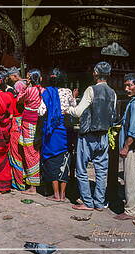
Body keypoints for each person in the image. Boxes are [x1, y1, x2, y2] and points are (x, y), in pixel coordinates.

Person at [66, 61, 117, 211]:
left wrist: (68, 109)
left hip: (88, 135)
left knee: (81, 169)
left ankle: (87, 202)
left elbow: (78, 111)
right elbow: (113, 115)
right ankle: (99, 203)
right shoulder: (112, 92)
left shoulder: (91, 90)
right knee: (101, 171)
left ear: (95, 73)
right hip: (104, 136)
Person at [39, 68, 77, 201]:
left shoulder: (47, 92)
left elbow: (41, 111)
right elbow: (74, 108)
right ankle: (63, 195)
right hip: (65, 130)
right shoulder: (68, 92)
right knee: (64, 158)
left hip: (52, 130)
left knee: (52, 159)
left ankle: (55, 195)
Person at [114, 73, 135, 220]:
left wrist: (126, 147)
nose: (127, 88)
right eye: (126, 86)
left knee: (131, 179)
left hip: (133, 147)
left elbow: (134, 129)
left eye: (130, 85)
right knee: (133, 179)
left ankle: (129, 211)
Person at [17, 68, 44, 194]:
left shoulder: (29, 90)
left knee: (30, 153)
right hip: (39, 124)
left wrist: (24, 86)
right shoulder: (43, 91)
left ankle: (33, 186)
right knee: (36, 152)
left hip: (28, 123)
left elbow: (19, 99)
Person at [6, 67, 26, 191]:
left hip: (16, 126)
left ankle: (19, 182)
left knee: (16, 154)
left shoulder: (13, 96)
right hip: (24, 124)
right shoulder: (26, 86)